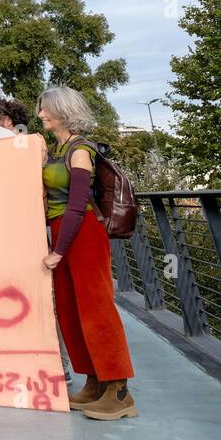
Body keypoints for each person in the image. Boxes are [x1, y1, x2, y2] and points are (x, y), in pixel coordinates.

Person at [38, 86, 136, 420]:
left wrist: (59, 250)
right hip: (60, 231)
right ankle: (94, 381)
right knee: (69, 309)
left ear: (61, 111)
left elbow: (78, 206)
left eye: (44, 109)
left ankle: (119, 391)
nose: (40, 115)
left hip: (81, 235)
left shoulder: (80, 149)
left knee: (97, 309)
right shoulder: (57, 148)